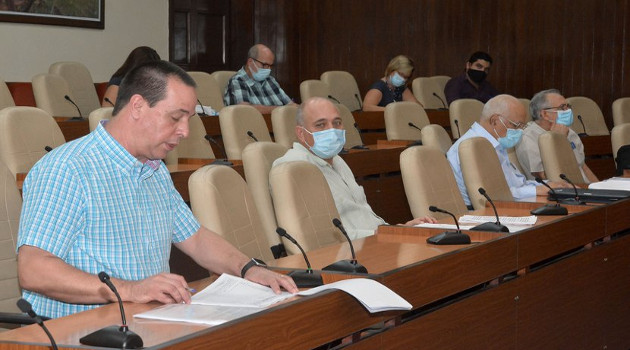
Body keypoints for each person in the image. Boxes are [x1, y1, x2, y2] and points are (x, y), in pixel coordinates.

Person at [17, 61, 297, 319]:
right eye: (176, 117)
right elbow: (33, 270)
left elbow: (196, 238)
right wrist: (130, 290)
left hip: (148, 321)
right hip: (83, 332)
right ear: (137, 106)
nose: (185, 131)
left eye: (188, 119)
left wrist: (248, 269)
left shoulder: (154, 169)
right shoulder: (67, 169)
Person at [272, 97, 436, 240]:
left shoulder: (338, 161)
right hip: (347, 256)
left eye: (337, 123)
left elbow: (361, 215)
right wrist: (388, 234)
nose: (332, 130)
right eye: (321, 125)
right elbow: (321, 236)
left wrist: (400, 228)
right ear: (301, 133)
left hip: (375, 242)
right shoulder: (292, 168)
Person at [446, 94, 568, 206]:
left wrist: (549, 185)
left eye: (522, 126)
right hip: (484, 213)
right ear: (495, 121)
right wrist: (537, 190)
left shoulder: (495, 144)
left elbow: (517, 185)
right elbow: (493, 195)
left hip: (506, 206)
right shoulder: (471, 148)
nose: (520, 131)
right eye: (516, 125)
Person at [515, 89, 598, 183]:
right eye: (562, 107)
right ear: (545, 114)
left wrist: (600, 189)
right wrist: (559, 140)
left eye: (568, 106)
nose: (568, 111)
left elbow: (583, 167)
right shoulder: (528, 137)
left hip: (584, 189)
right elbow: (544, 176)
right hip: (560, 192)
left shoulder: (570, 132)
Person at [223, 44, 295, 114]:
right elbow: (245, 111)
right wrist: (281, 109)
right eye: (265, 65)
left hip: (277, 124)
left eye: (270, 66)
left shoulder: (271, 80)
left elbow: (291, 105)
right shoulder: (237, 81)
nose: (268, 70)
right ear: (250, 62)